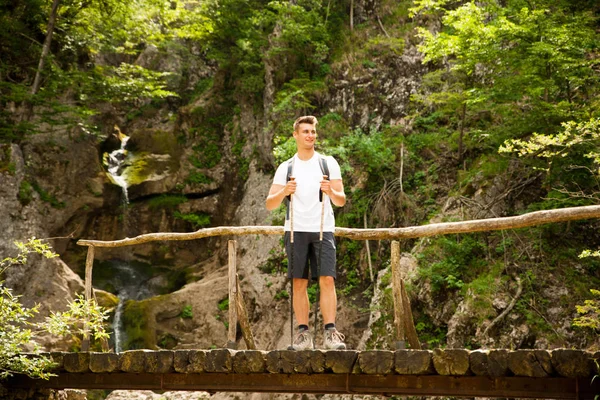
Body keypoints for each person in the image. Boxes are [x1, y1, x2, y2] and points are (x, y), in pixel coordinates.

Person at [265, 115, 347, 350]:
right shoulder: (286, 167)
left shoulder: (328, 163)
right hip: (295, 230)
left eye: (313, 131)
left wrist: (330, 190)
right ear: (296, 135)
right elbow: (270, 203)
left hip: (323, 228)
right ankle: (303, 335)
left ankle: (330, 333)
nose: (310, 135)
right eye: (305, 131)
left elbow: (341, 200)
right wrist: (285, 192)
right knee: (299, 282)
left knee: (327, 279)